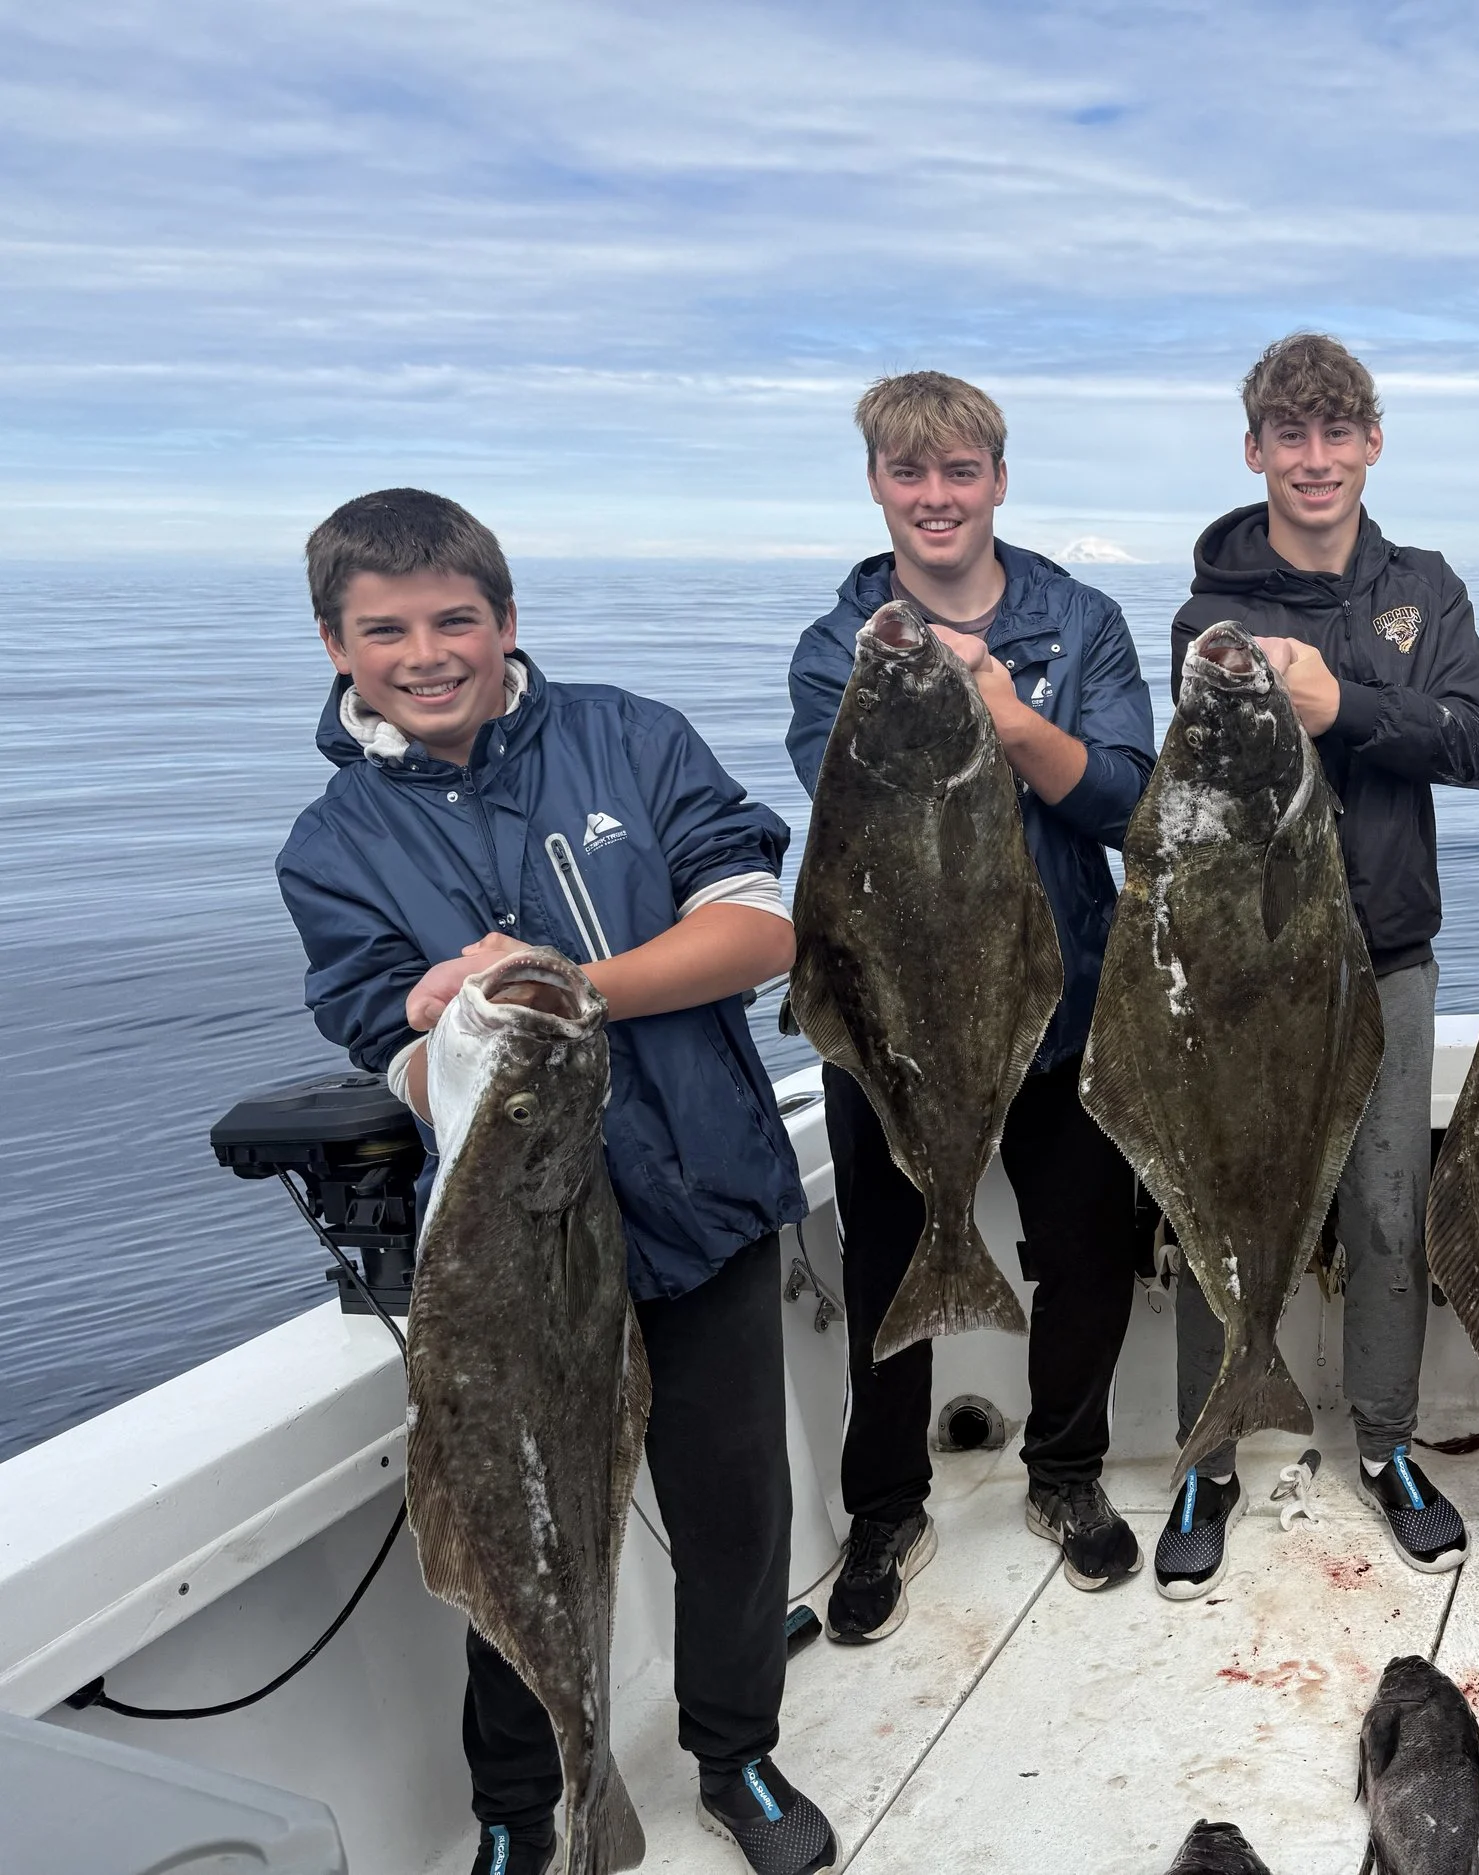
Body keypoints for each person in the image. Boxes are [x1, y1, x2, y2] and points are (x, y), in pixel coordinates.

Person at [276, 489, 837, 1875]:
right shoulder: (330, 842)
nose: (426, 650)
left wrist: (562, 987)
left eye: (454, 617)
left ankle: (736, 1749)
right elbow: (387, 1052)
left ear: (506, 620)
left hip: (699, 1197)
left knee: (733, 1501)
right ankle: (528, 1803)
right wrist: (446, 1030)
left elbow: (759, 925)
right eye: (385, 628)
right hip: (505, 1252)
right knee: (517, 1526)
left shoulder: (631, 736)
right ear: (337, 645)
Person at [786, 372, 1157, 1634]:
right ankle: (885, 1506)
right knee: (885, 1258)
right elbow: (845, 810)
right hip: (890, 1017)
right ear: (877, 486)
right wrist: (927, 697)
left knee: (1086, 1255)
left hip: (1059, 1008)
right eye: (908, 473)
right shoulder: (833, 649)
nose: (934, 497)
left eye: (959, 472)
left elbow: (1127, 802)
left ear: (998, 479)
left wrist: (1004, 716)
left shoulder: (1084, 621)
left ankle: (1065, 1473)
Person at [1155, 332, 1479, 1599]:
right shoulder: (1209, 611)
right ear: (1254, 451)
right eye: (1288, 436)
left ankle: (1389, 1441)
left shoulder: (1425, 586)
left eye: (1336, 432)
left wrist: (1344, 707)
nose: (1314, 459)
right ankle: (1210, 1448)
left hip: (1393, 952)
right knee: (1224, 1207)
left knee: (1387, 1213)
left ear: (1371, 442)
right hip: (1250, 974)